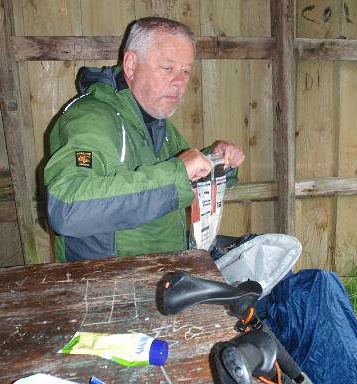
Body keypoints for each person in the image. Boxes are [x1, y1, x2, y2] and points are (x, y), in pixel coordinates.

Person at [44, 17, 244, 262]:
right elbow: (67, 208)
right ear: (130, 64)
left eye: (185, 71)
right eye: (167, 68)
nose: (180, 83)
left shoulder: (156, 122)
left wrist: (218, 160)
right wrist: (178, 174)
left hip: (160, 270)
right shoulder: (89, 119)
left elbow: (183, 176)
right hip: (106, 283)